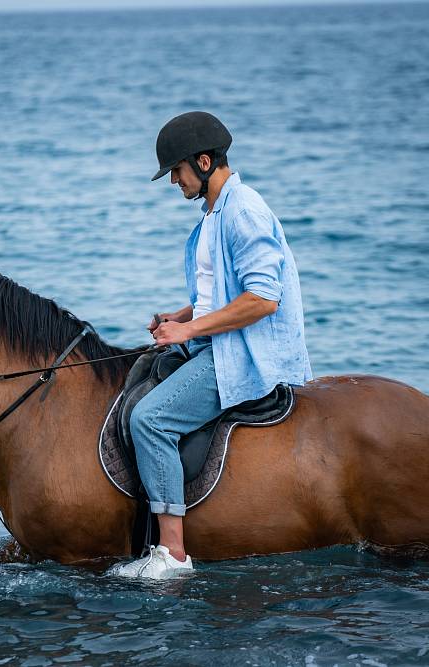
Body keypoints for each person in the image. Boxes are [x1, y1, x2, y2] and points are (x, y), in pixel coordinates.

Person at [111, 111, 313, 579]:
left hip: (241, 353)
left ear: (203, 162)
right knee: (136, 375)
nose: (173, 182)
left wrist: (188, 332)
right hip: (215, 340)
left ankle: (173, 555)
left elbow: (263, 298)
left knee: (150, 419)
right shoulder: (214, 213)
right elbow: (218, 294)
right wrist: (179, 317)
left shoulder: (243, 209)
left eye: (177, 172)